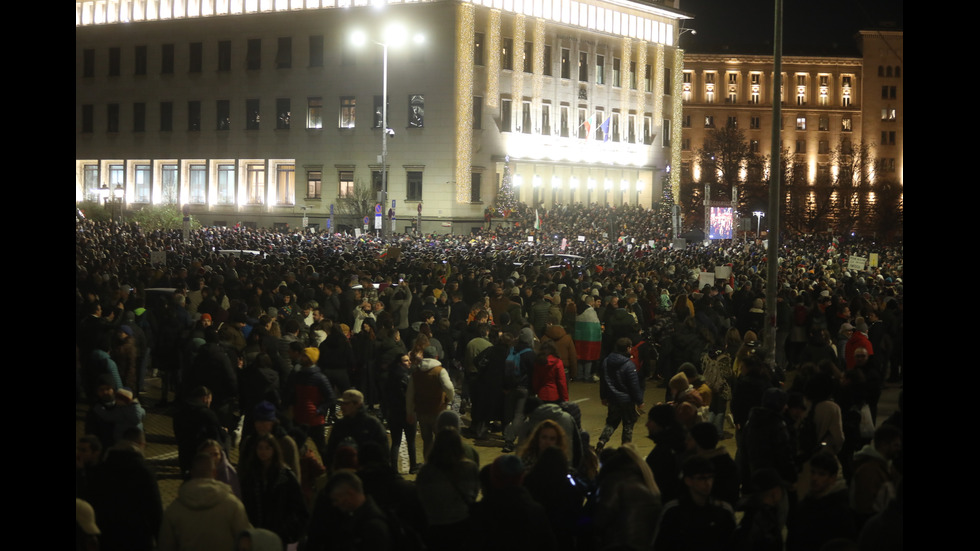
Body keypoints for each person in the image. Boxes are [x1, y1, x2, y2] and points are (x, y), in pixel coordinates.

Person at [158, 452, 252, 551]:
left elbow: (165, 545)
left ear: (192, 473)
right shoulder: (233, 505)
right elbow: (246, 541)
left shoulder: (174, 510)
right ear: (214, 473)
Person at [652, 455, 737, 551]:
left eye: (710, 477)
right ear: (688, 481)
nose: (708, 483)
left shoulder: (723, 510)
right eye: (701, 478)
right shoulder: (673, 511)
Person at [240, 433, 309, 547]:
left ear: (274, 450)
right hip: (255, 532)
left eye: (267, 448)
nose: (263, 452)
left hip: (279, 535)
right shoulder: (251, 475)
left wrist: (286, 531)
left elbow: (299, 508)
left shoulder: (285, 476)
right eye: (260, 448)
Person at [305, 470, 392, 551]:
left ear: (350, 493)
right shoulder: (360, 518)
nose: (335, 504)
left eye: (336, 499)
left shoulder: (372, 527)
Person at [595, 337, 645, 452]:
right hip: (627, 401)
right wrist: (639, 400)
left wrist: (603, 397)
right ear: (628, 348)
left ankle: (602, 440)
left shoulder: (606, 361)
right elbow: (633, 385)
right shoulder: (629, 365)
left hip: (613, 399)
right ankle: (625, 448)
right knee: (628, 424)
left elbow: (603, 381)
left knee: (611, 422)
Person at [407, 346, 454, 462]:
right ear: (436, 356)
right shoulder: (440, 371)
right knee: (441, 441)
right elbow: (449, 387)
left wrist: (410, 412)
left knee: (427, 442)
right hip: (438, 410)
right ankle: (440, 467)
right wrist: (450, 398)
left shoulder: (416, 373)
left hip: (422, 411)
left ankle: (428, 465)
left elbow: (409, 394)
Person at [324, 389, 390, 471]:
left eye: (346, 404)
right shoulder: (340, 425)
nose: (342, 407)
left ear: (358, 404)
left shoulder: (372, 424)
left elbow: (384, 453)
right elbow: (331, 450)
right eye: (341, 404)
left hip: (368, 474)